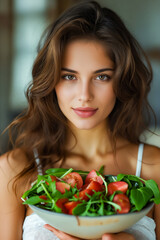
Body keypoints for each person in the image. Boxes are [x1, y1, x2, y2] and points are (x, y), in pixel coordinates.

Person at [0, 1, 160, 239]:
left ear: (122, 81)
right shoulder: (14, 169)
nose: (84, 95)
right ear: (51, 80)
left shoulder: (154, 166)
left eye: (102, 76)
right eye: (69, 76)